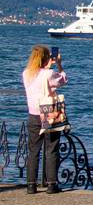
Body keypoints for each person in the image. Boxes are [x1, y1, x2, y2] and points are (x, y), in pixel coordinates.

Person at [22, 45, 66, 194]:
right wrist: (58, 64)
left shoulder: (26, 73)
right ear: (46, 58)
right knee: (51, 148)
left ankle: (31, 185)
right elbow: (63, 80)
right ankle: (51, 184)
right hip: (48, 114)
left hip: (33, 115)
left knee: (33, 150)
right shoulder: (49, 73)